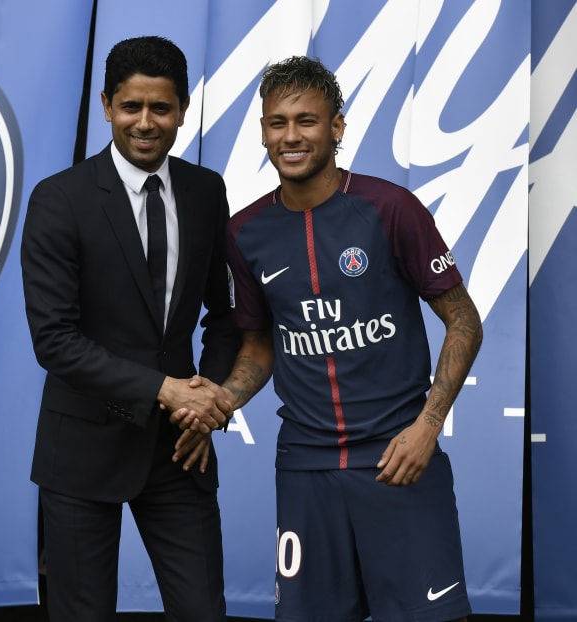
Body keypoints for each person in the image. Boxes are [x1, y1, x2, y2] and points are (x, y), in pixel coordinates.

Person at [173, 56, 483, 621]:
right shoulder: (244, 232)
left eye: (306, 121)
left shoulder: (390, 208)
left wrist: (427, 426)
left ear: (336, 127)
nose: (290, 136)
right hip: (305, 467)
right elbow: (260, 345)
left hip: (398, 458)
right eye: (276, 122)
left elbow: (463, 319)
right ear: (264, 130)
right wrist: (221, 401)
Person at [21, 35, 239, 621]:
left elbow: (225, 318)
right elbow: (55, 341)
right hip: (82, 451)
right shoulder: (58, 200)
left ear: (183, 110)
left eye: (160, 109)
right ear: (106, 105)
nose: (146, 123)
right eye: (131, 107)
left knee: (203, 612)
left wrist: (207, 402)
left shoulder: (205, 190)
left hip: (181, 449)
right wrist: (164, 390)